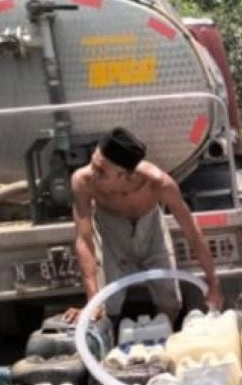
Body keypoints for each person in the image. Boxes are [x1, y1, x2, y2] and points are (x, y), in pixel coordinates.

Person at [64, 127, 223, 323]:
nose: (92, 173)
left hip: (150, 226)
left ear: (126, 175)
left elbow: (192, 232)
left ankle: (162, 337)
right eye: (93, 163)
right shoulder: (83, 181)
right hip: (110, 230)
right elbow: (84, 239)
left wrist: (213, 285)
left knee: (170, 302)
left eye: (101, 171)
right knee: (104, 308)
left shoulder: (158, 183)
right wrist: (92, 301)